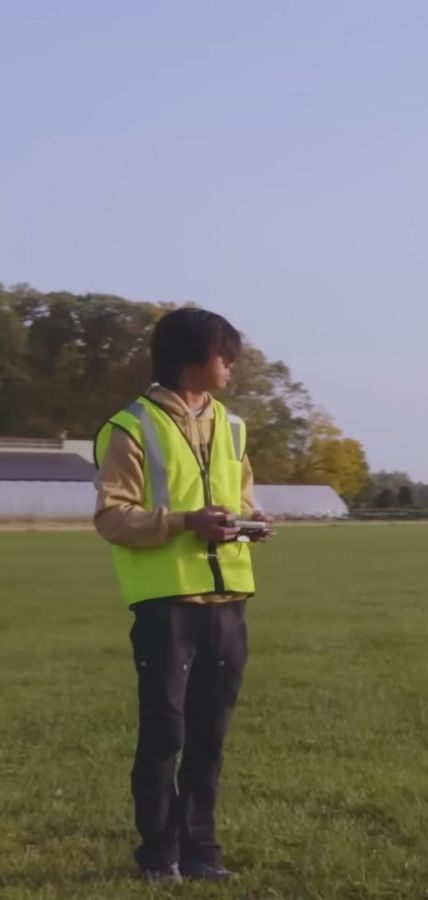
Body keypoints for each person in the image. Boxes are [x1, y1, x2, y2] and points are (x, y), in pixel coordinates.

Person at [93, 307, 273, 884]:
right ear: (193, 359)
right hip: (166, 605)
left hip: (228, 603)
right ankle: (159, 855)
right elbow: (113, 518)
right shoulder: (131, 427)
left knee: (209, 738)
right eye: (226, 356)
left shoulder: (233, 427)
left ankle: (201, 851)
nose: (231, 367)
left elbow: (242, 497)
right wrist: (184, 522)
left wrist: (251, 521)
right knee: (165, 733)